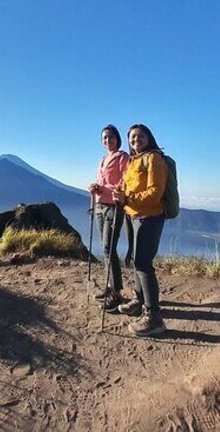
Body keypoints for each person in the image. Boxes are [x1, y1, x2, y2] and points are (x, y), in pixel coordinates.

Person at [112, 124, 168, 337]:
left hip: (150, 217)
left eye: (140, 136)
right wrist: (121, 191)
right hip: (133, 215)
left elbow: (155, 192)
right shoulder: (133, 161)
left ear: (149, 138)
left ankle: (154, 317)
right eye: (132, 137)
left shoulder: (154, 158)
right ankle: (139, 300)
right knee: (136, 260)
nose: (136, 139)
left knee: (143, 263)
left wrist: (127, 198)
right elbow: (130, 186)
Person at [87, 125, 130, 312]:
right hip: (99, 206)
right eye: (104, 138)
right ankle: (110, 286)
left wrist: (109, 190)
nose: (107, 140)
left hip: (114, 206)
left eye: (110, 137)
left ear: (117, 138)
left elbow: (125, 181)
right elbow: (105, 181)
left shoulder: (122, 157)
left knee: (108, 248)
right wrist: (96, 187)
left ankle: (117, 292)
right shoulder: (103, 159)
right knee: (106, 250)